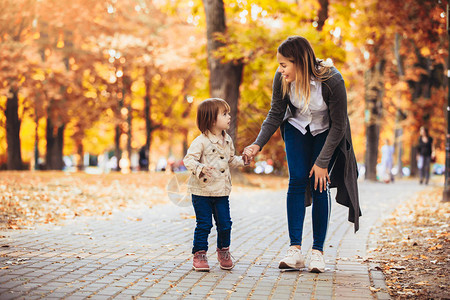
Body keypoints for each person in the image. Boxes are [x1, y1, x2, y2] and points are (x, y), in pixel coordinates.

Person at [243, 36, 360, 273]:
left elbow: (339, 125)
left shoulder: (332, 80)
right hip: (297, 126)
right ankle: (294, 251)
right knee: (297, 179)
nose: (280, 69)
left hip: (326, 130)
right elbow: (275, 113)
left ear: (299, 62)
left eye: (284, 64)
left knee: (319, 183)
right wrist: (257, 144)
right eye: (280, 65)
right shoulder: (282, 79)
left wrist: (322, 162)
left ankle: (317, 252)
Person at [183, 98, 249, 272]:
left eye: (228, 113)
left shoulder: (227, 140)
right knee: (204, 224)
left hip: (221, 191)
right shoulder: (202, 141)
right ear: (212, 120)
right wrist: (201, 168)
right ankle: (199, 254)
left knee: (225, 223)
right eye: (225, 114)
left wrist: (243, 160)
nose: (229, 117)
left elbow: (230, 159)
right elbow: (189, 159)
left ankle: (223, 251)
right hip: (202, 191)